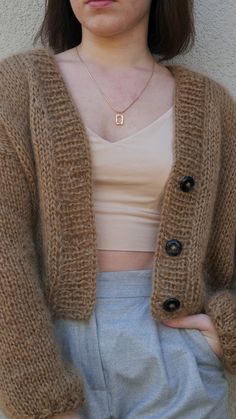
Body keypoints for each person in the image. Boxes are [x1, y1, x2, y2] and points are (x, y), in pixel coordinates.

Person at [0, 0, 235, 418]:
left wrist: (225, 331)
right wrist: (38, 391)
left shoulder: (212, 106)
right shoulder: (17, 86)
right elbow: (4, 246)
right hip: (48, 344)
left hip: (175, 354)